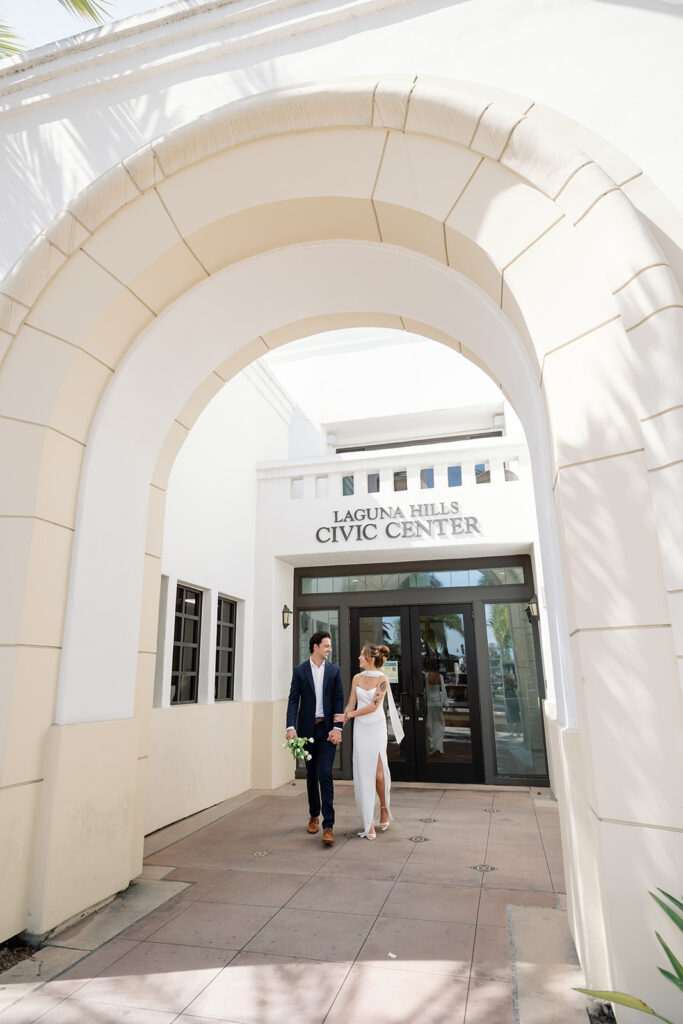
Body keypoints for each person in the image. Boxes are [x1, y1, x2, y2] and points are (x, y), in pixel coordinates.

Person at [286, 631, 343, 846]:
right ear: (315, 647)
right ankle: (313, 815)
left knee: (325, 773)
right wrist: (291, 727)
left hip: (328, 731)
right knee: (311, 775)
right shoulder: (300, 671)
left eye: (330, 646)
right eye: (327, 646)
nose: (330, 649)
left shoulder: (334, 672)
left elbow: (339, 699)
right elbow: (293, 700)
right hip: (307, 731)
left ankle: (328, 825)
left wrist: (338, 727)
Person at [343, 642, 402, 840]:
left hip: (376, 729)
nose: (358, 658)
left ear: (370, 658)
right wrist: (339, 726)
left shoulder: (383, 679)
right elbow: (351, 703)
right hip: (360, 729)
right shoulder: (356, 678)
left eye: (361, 655)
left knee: (378, 775)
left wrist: (350, 715)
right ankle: (369, 822)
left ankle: (383, 808)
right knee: (363, 774)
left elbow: (373, 707)